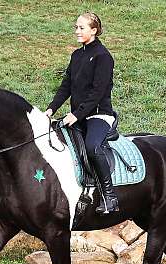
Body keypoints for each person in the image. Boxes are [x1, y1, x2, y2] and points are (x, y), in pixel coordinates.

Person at [45, 12, 119, 215]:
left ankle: (109, 196)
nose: (77, 31)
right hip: (77, 115)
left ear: (94, 30)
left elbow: (97, 93)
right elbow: (66, 86)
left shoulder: (104, 57)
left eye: (82, 28)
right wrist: (52, 109)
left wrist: (76, 115)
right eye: (76, 27)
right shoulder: (77, 55)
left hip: (98, 115)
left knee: (92, 147)